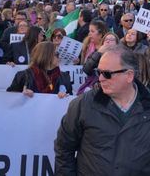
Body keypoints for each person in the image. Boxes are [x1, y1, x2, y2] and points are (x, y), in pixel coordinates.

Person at [54, 45, 150, 175]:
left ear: (129, 76)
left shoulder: (146, 106)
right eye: (98, 72)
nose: (100, 78)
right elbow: (64, 148)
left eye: (107, 74)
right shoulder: (83, 104)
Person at [6, 41, 72, 97]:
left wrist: (65, 97)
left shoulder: (64, 77)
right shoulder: (23, 76)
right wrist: (21, 95)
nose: (59, 57)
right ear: (45, 55)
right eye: (57, 54)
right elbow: (10, 99)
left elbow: (71, 100)